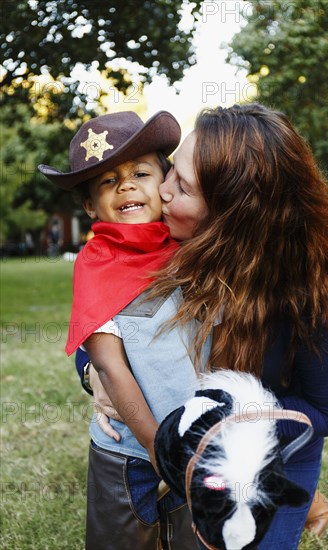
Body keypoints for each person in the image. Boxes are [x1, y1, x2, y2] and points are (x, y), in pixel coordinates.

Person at [83, 103, 328, 550]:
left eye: (185, 187)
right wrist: (95, 371)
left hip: (265, 461)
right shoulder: (172, 248)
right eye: (171, 172)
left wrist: (225, 420)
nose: (164, 192)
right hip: (186, 452)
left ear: (232, 211)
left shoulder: (313, 297)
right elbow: (110, 314)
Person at [39, 111, 210, 549]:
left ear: (167, 183)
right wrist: (160, 453)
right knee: (122, 538)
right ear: (90, 205)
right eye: (108, 181)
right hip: (131, 449)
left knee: (197, 537)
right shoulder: (96, 264)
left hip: (198, 440)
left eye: (140, 173)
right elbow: (109, 366)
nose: (127, 185)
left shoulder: (194, 250)